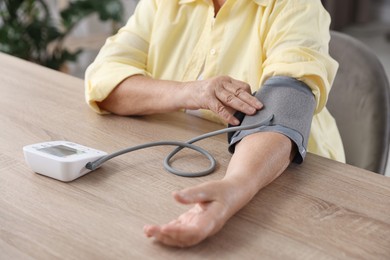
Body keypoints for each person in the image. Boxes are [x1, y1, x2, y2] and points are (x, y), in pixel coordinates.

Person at [85, 0, 345, 247]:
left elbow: (285, 104)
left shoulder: (296, 5)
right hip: (181, 160)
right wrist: (191, 92)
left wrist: (235, 186)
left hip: (286, 170)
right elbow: (104, 79)